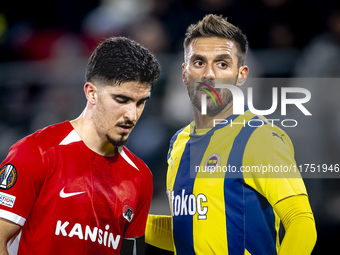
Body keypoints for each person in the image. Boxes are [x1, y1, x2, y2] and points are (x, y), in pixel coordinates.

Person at [145, 14, 317, 254]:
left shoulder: (259, 137)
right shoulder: (179, 143)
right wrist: (120, 219)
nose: (209, 74)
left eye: (222, 64)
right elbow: (190, 232)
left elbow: (301, 221)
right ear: (184, 73)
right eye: (199, 62)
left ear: (242, 75)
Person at [0, 36, 160, 255]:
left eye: (140, 102)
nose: (131, 115)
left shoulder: (141, 176)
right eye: (122, 100)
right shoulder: (36, 151)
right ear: (91, 92)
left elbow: (132, 251)